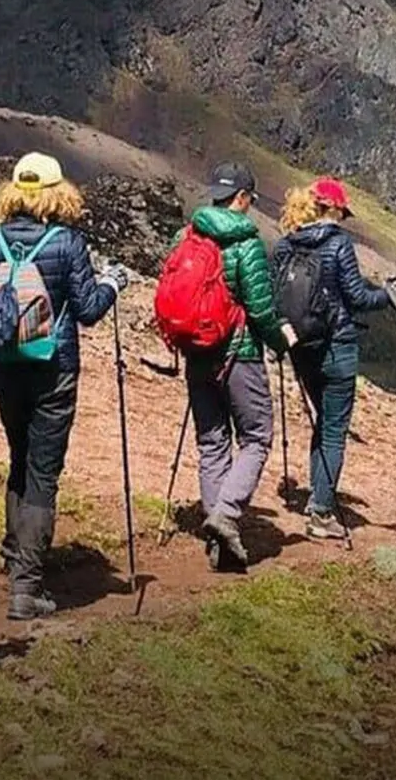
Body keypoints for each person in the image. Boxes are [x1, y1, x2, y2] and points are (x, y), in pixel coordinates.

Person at [0, 152, 121, 620]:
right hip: (55, 368)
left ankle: (15, 554)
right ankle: (26, 588)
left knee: (17, 457)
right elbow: (90, 309)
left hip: (5, 365)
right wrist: (113, 283)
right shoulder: (68, 243)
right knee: (42, 472)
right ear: (59, 193)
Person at [171, 161, 295, 570]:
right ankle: (225, 515)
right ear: (242, 198)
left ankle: (218, 541)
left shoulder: (187, 235)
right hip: (238, 354)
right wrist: (281, 340)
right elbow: (260, 309)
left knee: (212, 441)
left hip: (196, 351)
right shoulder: (247, 242)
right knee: (257, 436)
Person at [272, 177, 396, 541]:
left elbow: (274, 295)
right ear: (331, 209)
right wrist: (387, 297)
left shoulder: (285, 244)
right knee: (333, 428)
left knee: (322, 421)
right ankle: (321, 512)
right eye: (342, 212)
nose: (344, 219)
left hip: (301, 346)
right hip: (337, 345)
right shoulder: (339, 242)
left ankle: (318, 498)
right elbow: (357, 297)